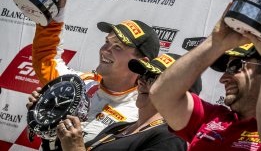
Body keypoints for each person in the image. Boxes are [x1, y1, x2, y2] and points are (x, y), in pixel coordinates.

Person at [149, 7, 261, 150]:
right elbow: (161, 94)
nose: (223, 78)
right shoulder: (212, 118)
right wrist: (215, 43)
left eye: (235, 66)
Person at [27, 0, 160, 150]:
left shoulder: (142, 114)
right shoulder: (78, 84)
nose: (105, 50)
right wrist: (58, 7)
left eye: (117, 47)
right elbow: (46, 59)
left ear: (141, 63)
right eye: (107, 42)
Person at [55, 53, 198, 151]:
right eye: (143, 75)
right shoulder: (120, 127)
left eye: (153, 78)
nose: (141, 81)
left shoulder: (171, 139)